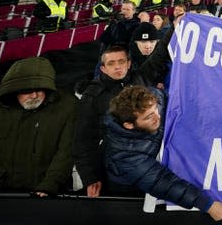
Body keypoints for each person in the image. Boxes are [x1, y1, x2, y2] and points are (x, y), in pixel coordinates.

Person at [103, 85, 222, 221]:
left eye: (156, 110)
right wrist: (207, 204)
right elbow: (159, 181)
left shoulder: (154, 97)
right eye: (149, 117)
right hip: (130, 189)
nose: (157, 116)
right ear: (129, 125)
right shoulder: (123, 153)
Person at [74, 23, 174, 198]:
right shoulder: (92, 95)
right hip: (115, 172)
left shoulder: (141, 77)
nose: (117, 67)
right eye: (111, 63)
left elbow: (160, 55)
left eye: (121, 62)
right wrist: (90, 177)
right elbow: (83, 139)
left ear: (129, 63)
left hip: (150, 163)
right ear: (103, 68)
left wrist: (175, 28)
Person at [0, 57, 75, 196]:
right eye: (27, 91)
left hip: (48, 193)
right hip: (1, 193)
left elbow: (66, 152)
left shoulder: (67, 106)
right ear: (13, 90)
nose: (34, 95)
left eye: (40, 89)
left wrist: (49, 185)